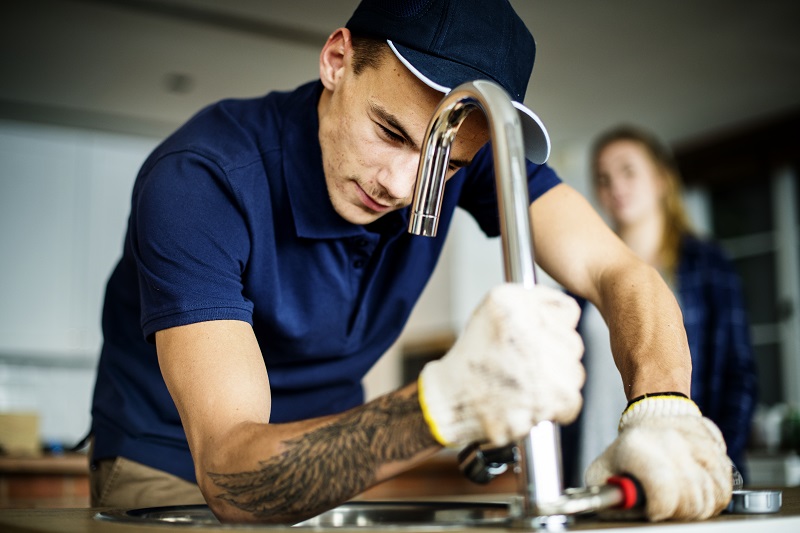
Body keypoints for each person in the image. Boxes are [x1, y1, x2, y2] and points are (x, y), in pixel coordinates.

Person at [89, 0, 732, 524]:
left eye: (443, 165)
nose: (401, 184)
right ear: (337, 60)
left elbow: (617, 272)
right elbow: (230, 471)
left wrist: (663, 406)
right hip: (171, 467)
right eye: (390, 132)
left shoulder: (459, 153)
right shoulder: (201, 181)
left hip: (332, 460)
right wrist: (444, 406)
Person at [563, 125, 757, 485]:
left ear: (660, 179)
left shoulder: (708, 265)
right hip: (592, 466)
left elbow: (738, 375)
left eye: (627, 170)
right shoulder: (582, 272)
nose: (614, 186)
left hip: (679, 470)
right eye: (603, 178)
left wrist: (714, 461)